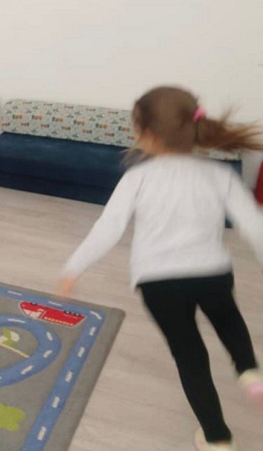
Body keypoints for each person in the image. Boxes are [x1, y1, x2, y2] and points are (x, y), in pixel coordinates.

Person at [58, 86, 263, 451]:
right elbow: (255, 226)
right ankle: (249, 371)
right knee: (228, 320)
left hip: (158, 282)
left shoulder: (136, 179)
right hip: (213, 273)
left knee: (190, 355)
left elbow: (107, 229)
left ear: (146, 134)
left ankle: (217, 438)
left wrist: (74, 268)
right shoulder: (220, 176)